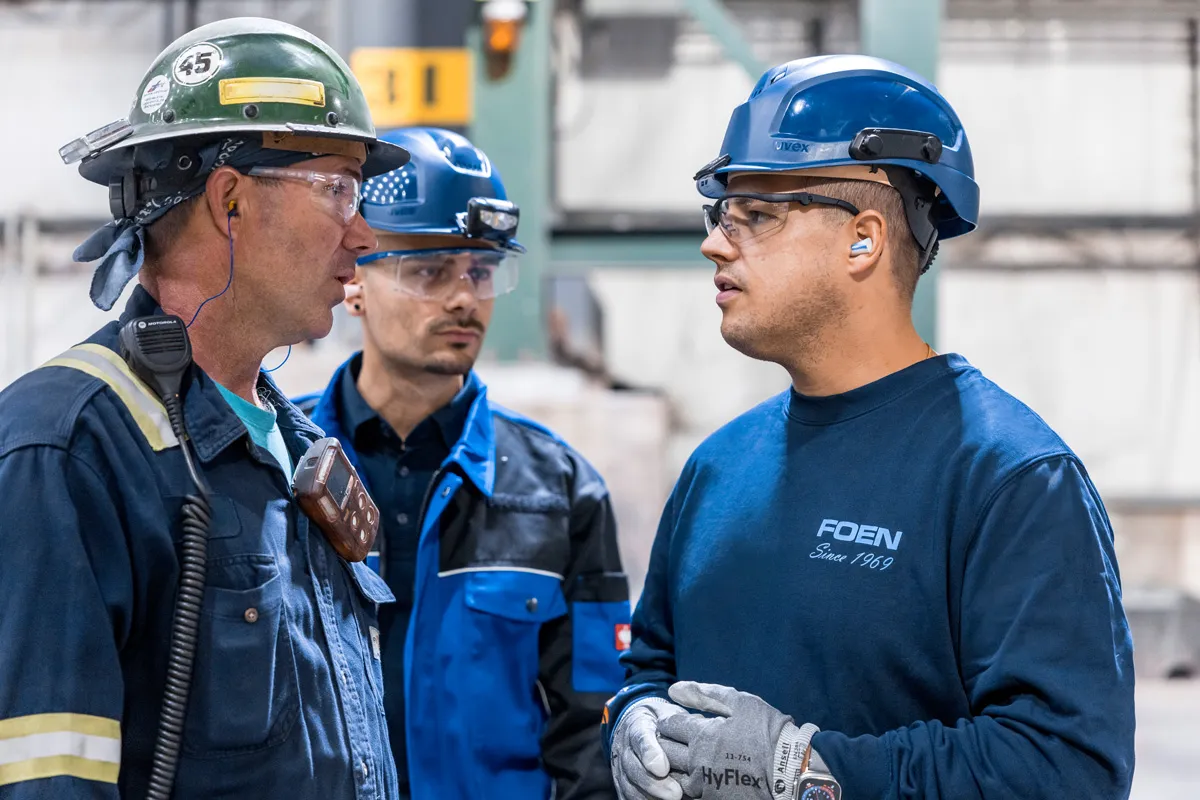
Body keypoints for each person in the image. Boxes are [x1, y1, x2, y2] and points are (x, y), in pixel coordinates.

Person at [603, 55, 1135, 800]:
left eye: (756, 216)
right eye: (719, 214)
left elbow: (1066, 765)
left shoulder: (1009, 477)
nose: (715, 244)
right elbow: (651, 664)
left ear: (864, 239)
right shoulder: (717, 467)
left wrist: (811, 773)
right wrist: (632, 718)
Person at [0, 18, 411, 799]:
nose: (362, 235)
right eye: (339, 190)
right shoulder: (68, 447)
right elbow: (45, 777)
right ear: (229, 201)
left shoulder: (298, 447)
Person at [296, 127, 629, 799]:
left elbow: (594, 731)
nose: (462, 298)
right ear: (353, 281)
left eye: (481, 271)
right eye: (429, 271)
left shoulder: (561, 494)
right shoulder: (276, 462)